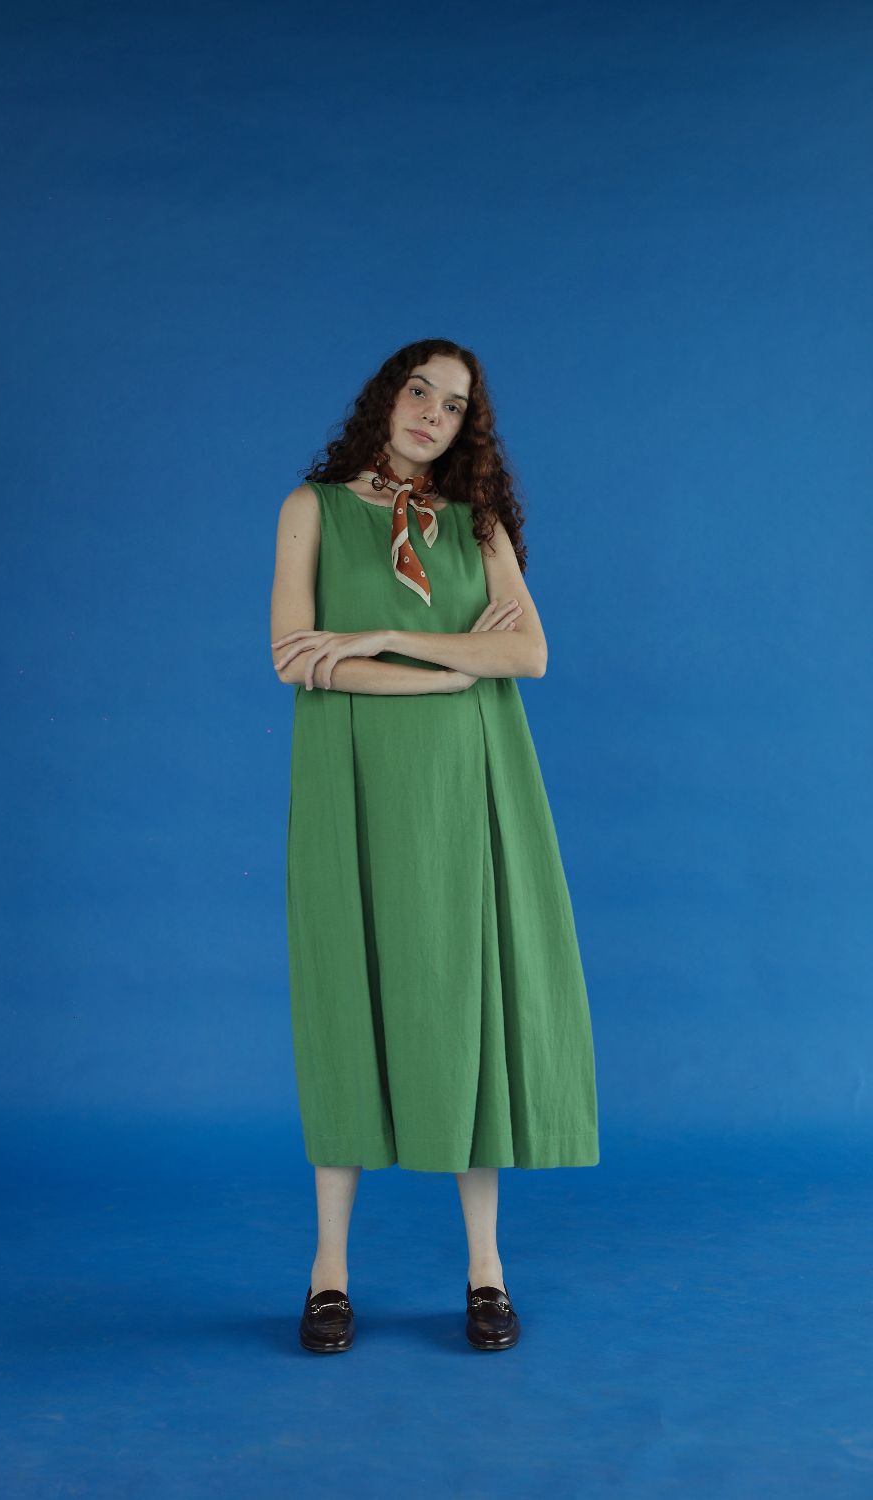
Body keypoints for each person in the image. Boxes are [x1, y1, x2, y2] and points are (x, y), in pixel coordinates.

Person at [270, 338, 599, 1353]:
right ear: (386, 396)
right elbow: (292, 656)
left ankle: (485, 1270)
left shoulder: (477, 521)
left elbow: (529, 652)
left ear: (467, 427)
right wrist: (451, 671)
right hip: (352, 782)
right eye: (420, 391)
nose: (431, 414)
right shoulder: (311, 509)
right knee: (347, 998)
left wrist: (380, 639)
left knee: (466, 1004)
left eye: (454, 405)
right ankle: (329, 1271)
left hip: (468, 783)